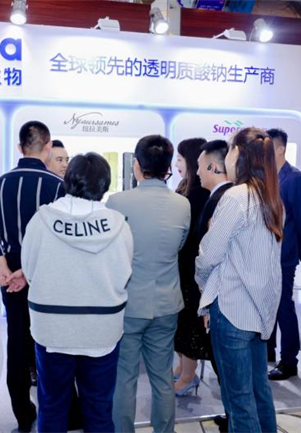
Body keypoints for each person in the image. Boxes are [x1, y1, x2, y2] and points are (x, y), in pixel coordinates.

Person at [21, 152, 133, 433]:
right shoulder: (119, 225)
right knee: (99, 409)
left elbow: (30, 272)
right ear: (104, 184)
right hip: (102, 330)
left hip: (53, 329)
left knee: (52, 406)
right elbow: (124, 272)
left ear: (68, 180)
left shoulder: (41, 221)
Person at [196, 127, 283, 433]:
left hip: (232, 309)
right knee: (259, 394)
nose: (228, 156)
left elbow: (209, 255)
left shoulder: (236, 197)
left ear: (239, 155)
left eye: (231, 149)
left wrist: (204, 287)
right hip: (259, 312)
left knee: (239, 403)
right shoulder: (272, 198)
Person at [0, 121, 64, 433]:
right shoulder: (57, 186)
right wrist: (27, 271)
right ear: (48, 147)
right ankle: (54, 412)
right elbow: (61, 239)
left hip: (11, 275)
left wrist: (3, 269)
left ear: (20, 147)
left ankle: (22, 415)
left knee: (17, 339)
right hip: (46, 271)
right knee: (50, 342)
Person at [109, 135, 191, 433]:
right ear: (168, 166)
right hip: (166, 303)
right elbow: (179, 246)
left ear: (137, 165)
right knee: (162, 379)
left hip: (128, 303)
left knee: (124, 379)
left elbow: (112, 250)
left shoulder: (117, 202)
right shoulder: (182, 204)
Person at [266, 128, 301, 381]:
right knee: (269, 303)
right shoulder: (267, 177)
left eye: (268, 147)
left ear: (281, 149)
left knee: (283, 305)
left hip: (284, 255)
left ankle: (289, 361)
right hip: (266, 254)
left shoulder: (294, 179)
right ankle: (269, 351)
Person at [195, 139, 233, 433]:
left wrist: (206, 300)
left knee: (228, 368)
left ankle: (235, 419)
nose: (197, 172)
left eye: (199, 166)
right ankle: (233, 415)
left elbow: (210, 256)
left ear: (212, 166)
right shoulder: (223, 197)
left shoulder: (223, 200)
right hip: (222, 296)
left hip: (222, 297)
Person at [173, 137, 211, 396]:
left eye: (180, 158)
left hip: (192, 269)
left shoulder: (200, 195)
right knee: (181, 320)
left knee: (188, 322)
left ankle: (188, 375)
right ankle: (183, 368)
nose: (176, 164)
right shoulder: (184, 188)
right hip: (181, 266)